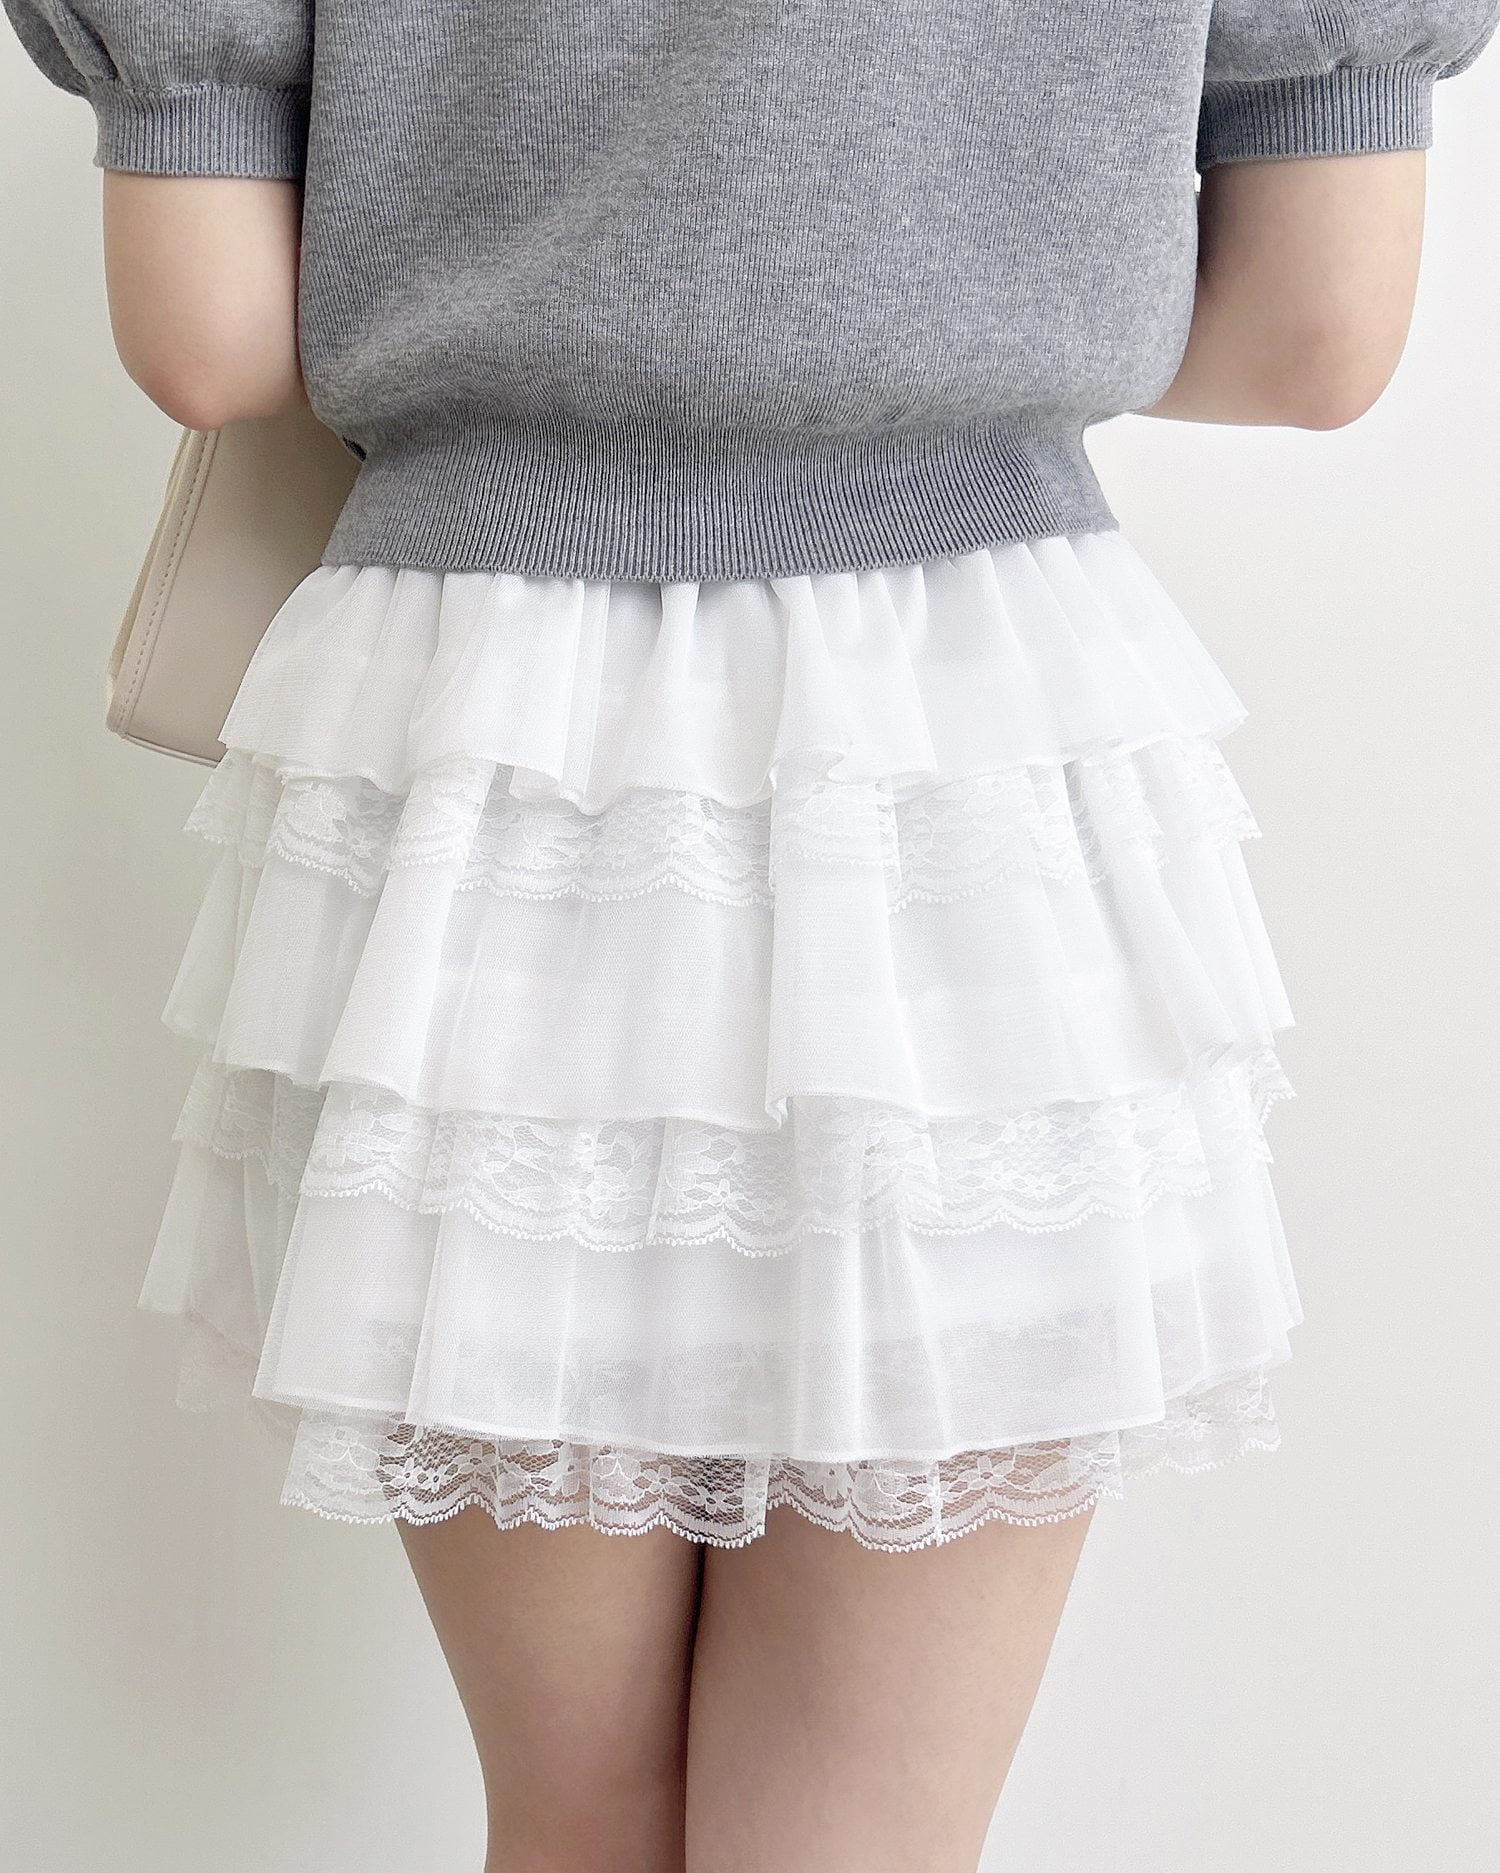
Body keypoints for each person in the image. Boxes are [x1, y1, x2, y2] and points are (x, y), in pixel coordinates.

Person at [5, 5, 1497, 1870]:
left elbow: (210, 335)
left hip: (497, 754)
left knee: (577, 1814)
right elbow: (1317, 335)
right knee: (862, 1832)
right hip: (961, 745)